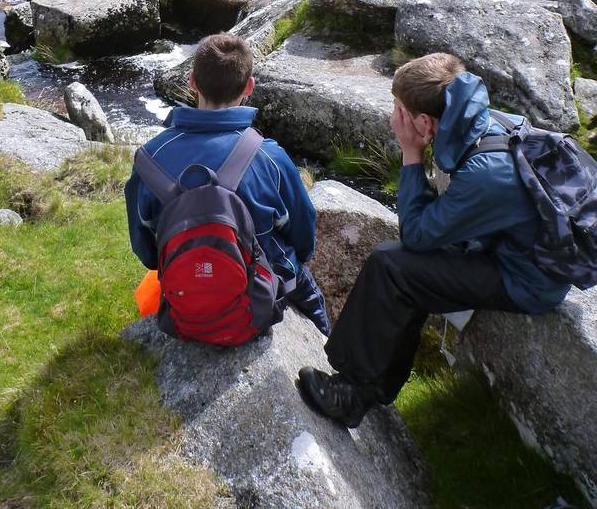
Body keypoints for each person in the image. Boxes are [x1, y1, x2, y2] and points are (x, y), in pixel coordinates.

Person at [298, 52, 571, 426]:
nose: (396, 119)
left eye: (399, 111)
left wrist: (411, 153)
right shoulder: (480, 122)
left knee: (391, 267)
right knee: (410, 271)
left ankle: (353, 392)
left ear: (424, 121)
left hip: (526, 278)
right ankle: (378, 385)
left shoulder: (485, 172)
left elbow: (416, 234)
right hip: (507, 247)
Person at [125, 32, 330, 336]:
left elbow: (145, 250)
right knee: (313, 301)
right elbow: (303, 234)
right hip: (264, 289)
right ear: (249, 87)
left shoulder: (149, 158)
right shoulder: (269, 156)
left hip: (184, 290)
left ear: (192, 81)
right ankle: (321, 350)